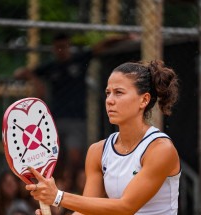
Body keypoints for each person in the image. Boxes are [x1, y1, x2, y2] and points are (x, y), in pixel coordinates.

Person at [25, 60, 181, 215]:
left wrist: (58, 196)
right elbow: (87, 212)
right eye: (108, 93)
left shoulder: (161, 149)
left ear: (144, 100)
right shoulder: (97, 151)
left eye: (119, 92)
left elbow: (125, 207)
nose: (109, 100)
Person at [14, 33, 132, 173]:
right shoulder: (51, 67)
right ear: (53, 49)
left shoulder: (79, 60)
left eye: (63, 47)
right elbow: (20, 73)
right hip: (55, 118)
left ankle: (69, 186)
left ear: (68, 47)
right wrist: (35, 81)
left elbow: (100, 46)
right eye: (58, 48)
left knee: (74, 157)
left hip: (77, 118)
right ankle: (57, 185)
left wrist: (123, 37)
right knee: (55, 156)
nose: (61, 51)